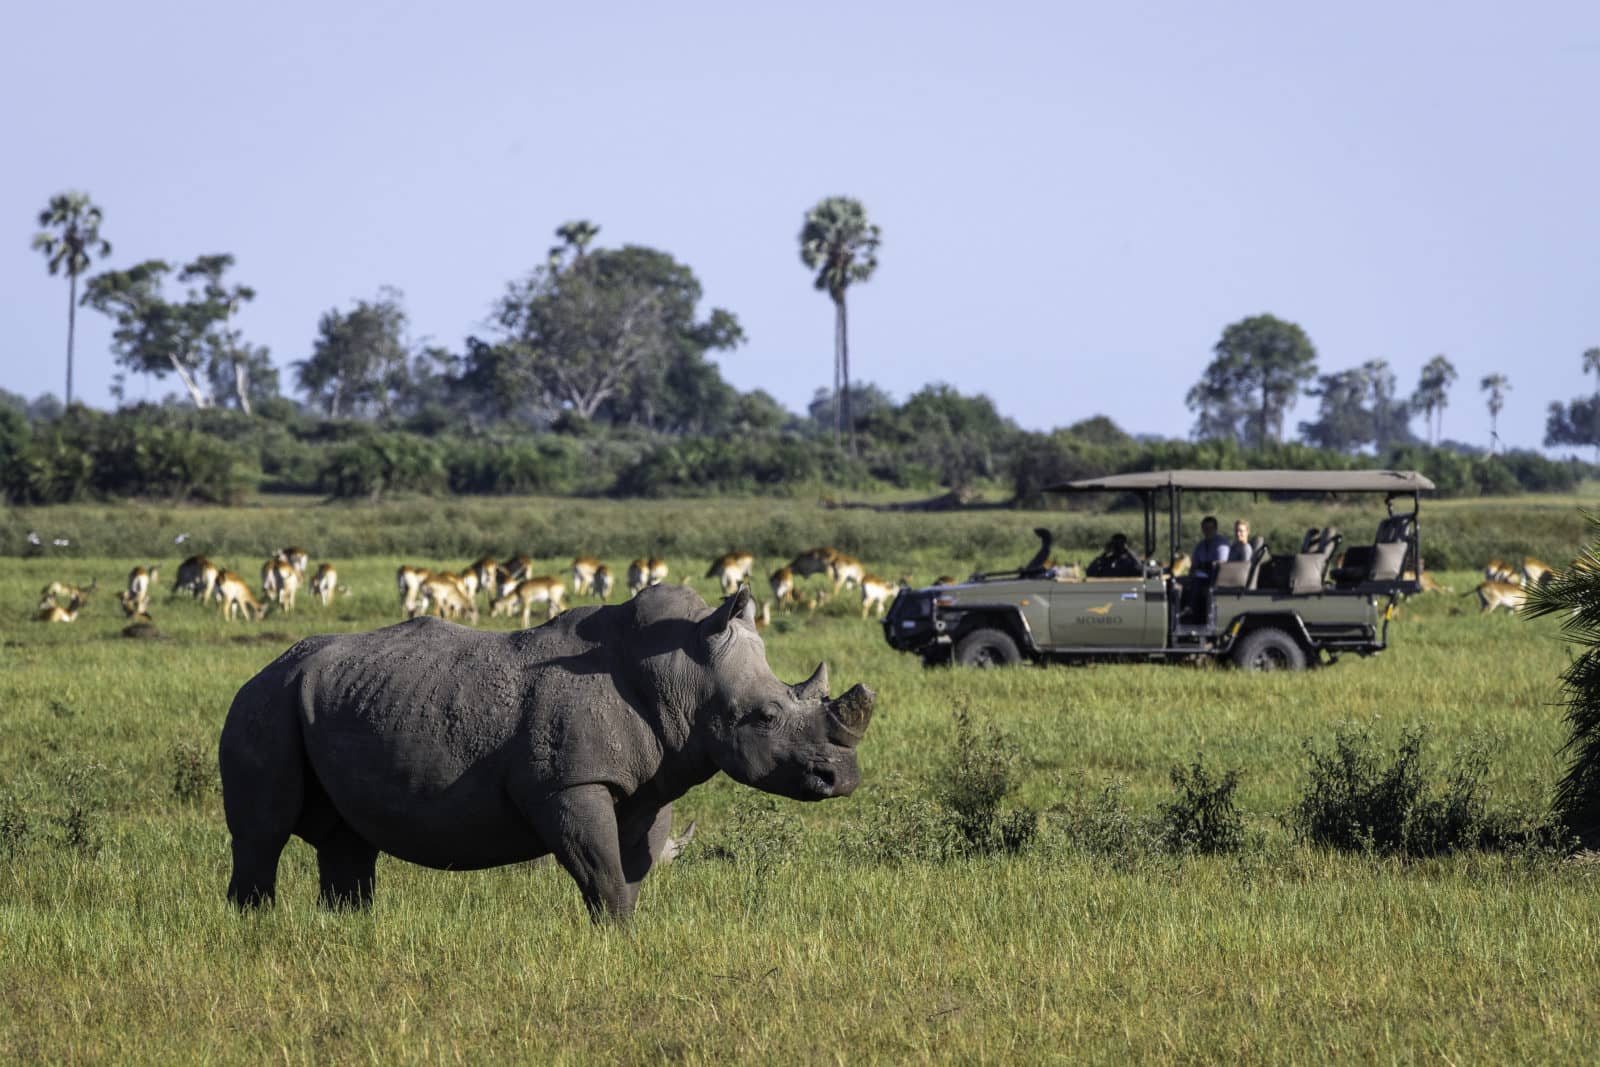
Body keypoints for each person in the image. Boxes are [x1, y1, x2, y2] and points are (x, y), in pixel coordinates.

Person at [1190, 516, 1232, 581]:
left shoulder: (1222, 543)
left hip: (1217, 579)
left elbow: (1222, 564)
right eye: (1205, 528)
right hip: (1201, 577)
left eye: (1210, 528)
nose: (1208, 531)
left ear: (1216, 529)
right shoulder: (1200, 546)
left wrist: (1204, 565)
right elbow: (1194, 565)